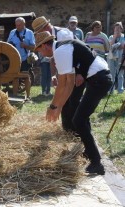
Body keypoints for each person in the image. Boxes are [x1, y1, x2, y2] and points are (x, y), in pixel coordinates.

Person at [35, 31, 113, 175]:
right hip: (98, 78)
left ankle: (96, 163)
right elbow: (63, 83)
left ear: (45, 45)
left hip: (99, 80)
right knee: (81, 118)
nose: (39, 53)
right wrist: (54, 106)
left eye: (39, 49)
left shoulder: (59, 51)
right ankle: (90, 152)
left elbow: (68, 85)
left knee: (78, 120)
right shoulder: (61, 48)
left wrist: (56, 107)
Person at [32, 16, 86, 134]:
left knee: (73, 100)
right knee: (65, 99)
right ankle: (67, 130)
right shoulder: (49, 39)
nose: (38, 35)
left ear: (45, 27)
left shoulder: (62, 34)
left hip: (78, 69)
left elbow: (76, 53)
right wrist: (54, 75)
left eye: (38, 32)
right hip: (69, 69)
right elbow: (54, 58)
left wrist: (79, 73)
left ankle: (76, 130)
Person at [7, 17, 35, 102]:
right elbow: (7, 44)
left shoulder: (29, 33)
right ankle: (15, 96)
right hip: (14, 58)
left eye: (19, 25)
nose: (17, 27)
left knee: (26, 77)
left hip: (25, 58)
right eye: (16, 25)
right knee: (15, 77)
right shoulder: (12, 32)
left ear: (24, 24)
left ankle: (28, 96)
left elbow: (34, 47)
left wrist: (26, 46)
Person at [107, 22, 125, 94]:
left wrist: (118, 46)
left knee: (120, 74)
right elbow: (110, 46)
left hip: (121, 57)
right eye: (116, 28)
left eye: (119, 28)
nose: (117, 29)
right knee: (111, 73)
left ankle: (120, 90)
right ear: (114, 29)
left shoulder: (124, 37)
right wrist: (115, 37)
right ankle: (111, 90)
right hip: (111, 57)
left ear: (121, 29)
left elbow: (123, 47)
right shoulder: (111, 37)